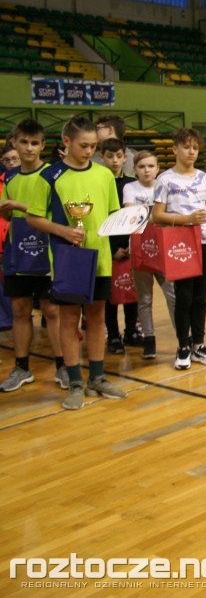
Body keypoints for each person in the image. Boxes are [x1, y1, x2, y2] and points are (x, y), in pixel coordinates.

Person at [25, 116, 125, 410]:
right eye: (83, 145)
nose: (89, 151)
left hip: (101, 260)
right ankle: (74, 381)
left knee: (97, 318)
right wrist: (63, 230)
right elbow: (32, 217)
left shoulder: (105, 175)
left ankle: (97, 377)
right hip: (67, 260)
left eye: (93, 146)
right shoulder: (50, 176)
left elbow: (111, 214)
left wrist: (131, 221)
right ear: (66, 142)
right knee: (69, 320)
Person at [152, 128, 206, 371]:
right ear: (175, 149)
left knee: (200, 298)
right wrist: (187, 220)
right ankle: (183, 346)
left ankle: (198, 345)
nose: (191, 152)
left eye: (195, 147)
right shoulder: (165, 180)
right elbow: (157, 215)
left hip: (204, 243)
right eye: (186, 147)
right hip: (180, 244)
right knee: (183, 297)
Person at [0, 119, 65, 392]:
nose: (28, 148)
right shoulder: (9, 177)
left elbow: (52, 211)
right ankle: (22, 367)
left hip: (47, 254)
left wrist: (16, 205)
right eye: (23, 142)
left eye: (34, 143)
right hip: (18, 253)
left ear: (42, 145)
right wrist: (6, 208)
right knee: (19, 310)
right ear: (14, 143)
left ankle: (63, 366)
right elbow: (6, 214)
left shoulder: (52, 174)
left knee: (51, 310)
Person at [122, 150, 176, 360]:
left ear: (157, 168)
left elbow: (170, 216)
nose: (146, 171)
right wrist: (156, 217)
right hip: (139, 249)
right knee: (144, 298)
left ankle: (183, 336)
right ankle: (149, 338)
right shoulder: (130, 188)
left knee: (172, 295)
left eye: (150, 166)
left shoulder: (164, 186)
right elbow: (131, 215)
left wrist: (151, 216)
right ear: (135, 169)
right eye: (142, 167)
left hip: (163, 248)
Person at [99, 136, 141, 354]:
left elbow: (135, 217)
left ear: (125, 157)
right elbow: (103, 219)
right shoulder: (100, 183)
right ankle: (113, 335)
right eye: (109, 156)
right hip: (109, 248)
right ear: (102, 157)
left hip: (130, 246)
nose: (115, 161)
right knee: (111, 296)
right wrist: (113, 248)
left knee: (131, 290)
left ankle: (132, 330)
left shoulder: (130, 184)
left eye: (118, 156)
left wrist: (131, 246)